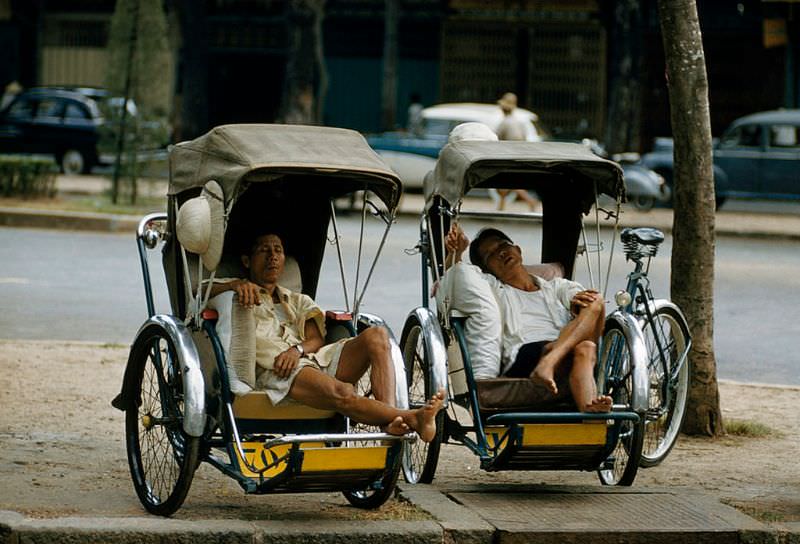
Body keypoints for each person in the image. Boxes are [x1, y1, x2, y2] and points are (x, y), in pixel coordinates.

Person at [210, 232, 445, 441]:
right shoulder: (238, 293)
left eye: (278, 250)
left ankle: (390, 421)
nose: (272, 255)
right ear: (246, 261)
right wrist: (235, 285)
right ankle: (412, 418)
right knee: (343, 392)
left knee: (377, 335)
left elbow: (316, 340)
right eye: (264, 250)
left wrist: (298, 350)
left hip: (313, 359)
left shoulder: (298, 299)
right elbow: (199, 294)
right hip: (278, 370)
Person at [444, 224, 612, 413]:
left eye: (502, 246)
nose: (500, 253)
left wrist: (578, 301)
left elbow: (585, 300)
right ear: (487, 270)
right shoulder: (493, 287)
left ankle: (586, 407)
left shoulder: (556, 287)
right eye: (490, 255)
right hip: (526, 354)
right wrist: (456, 254)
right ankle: (584, 401)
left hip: (561, 350)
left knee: (591, 322)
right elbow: (456, 279)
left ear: (517, 250)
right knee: (581, 346)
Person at [494, 92, 541, 212]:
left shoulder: (504, 123)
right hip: (518, 154)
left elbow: (496, 139)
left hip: (507, 155)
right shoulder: (519, 122)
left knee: (507, 182)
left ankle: (529, 201)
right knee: (507, 182)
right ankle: (502, 205)